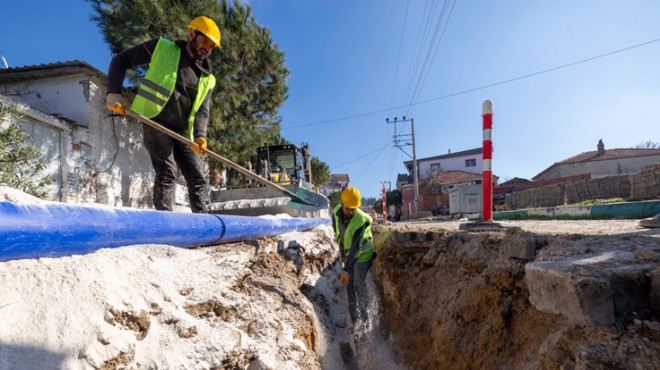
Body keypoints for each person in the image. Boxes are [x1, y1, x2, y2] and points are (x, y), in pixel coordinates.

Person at [105, 16, 220, 213]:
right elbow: (121, 60)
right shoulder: (162, 47)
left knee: (198, 179)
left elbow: (202, 110)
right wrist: (114, 93)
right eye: (205, 41)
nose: (207, 49)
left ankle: (203, 225)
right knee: (167, 172)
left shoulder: (208, 78)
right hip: (155, 120)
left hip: (183, 132)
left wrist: (200, 136)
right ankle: (166, 223)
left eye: (212, 46)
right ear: (192, 33)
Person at [333, 187, 375, 325]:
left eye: (353, 209)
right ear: (342, 204)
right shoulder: (336, 212)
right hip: (348, 254)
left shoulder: (360, 221)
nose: (350, 211)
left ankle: (365, 318)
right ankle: (353, 320)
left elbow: (356, 249)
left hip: (363, 255)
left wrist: (346, 268)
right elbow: (338, 232)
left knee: (358, 283)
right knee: (348, 285)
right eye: (348, 208)